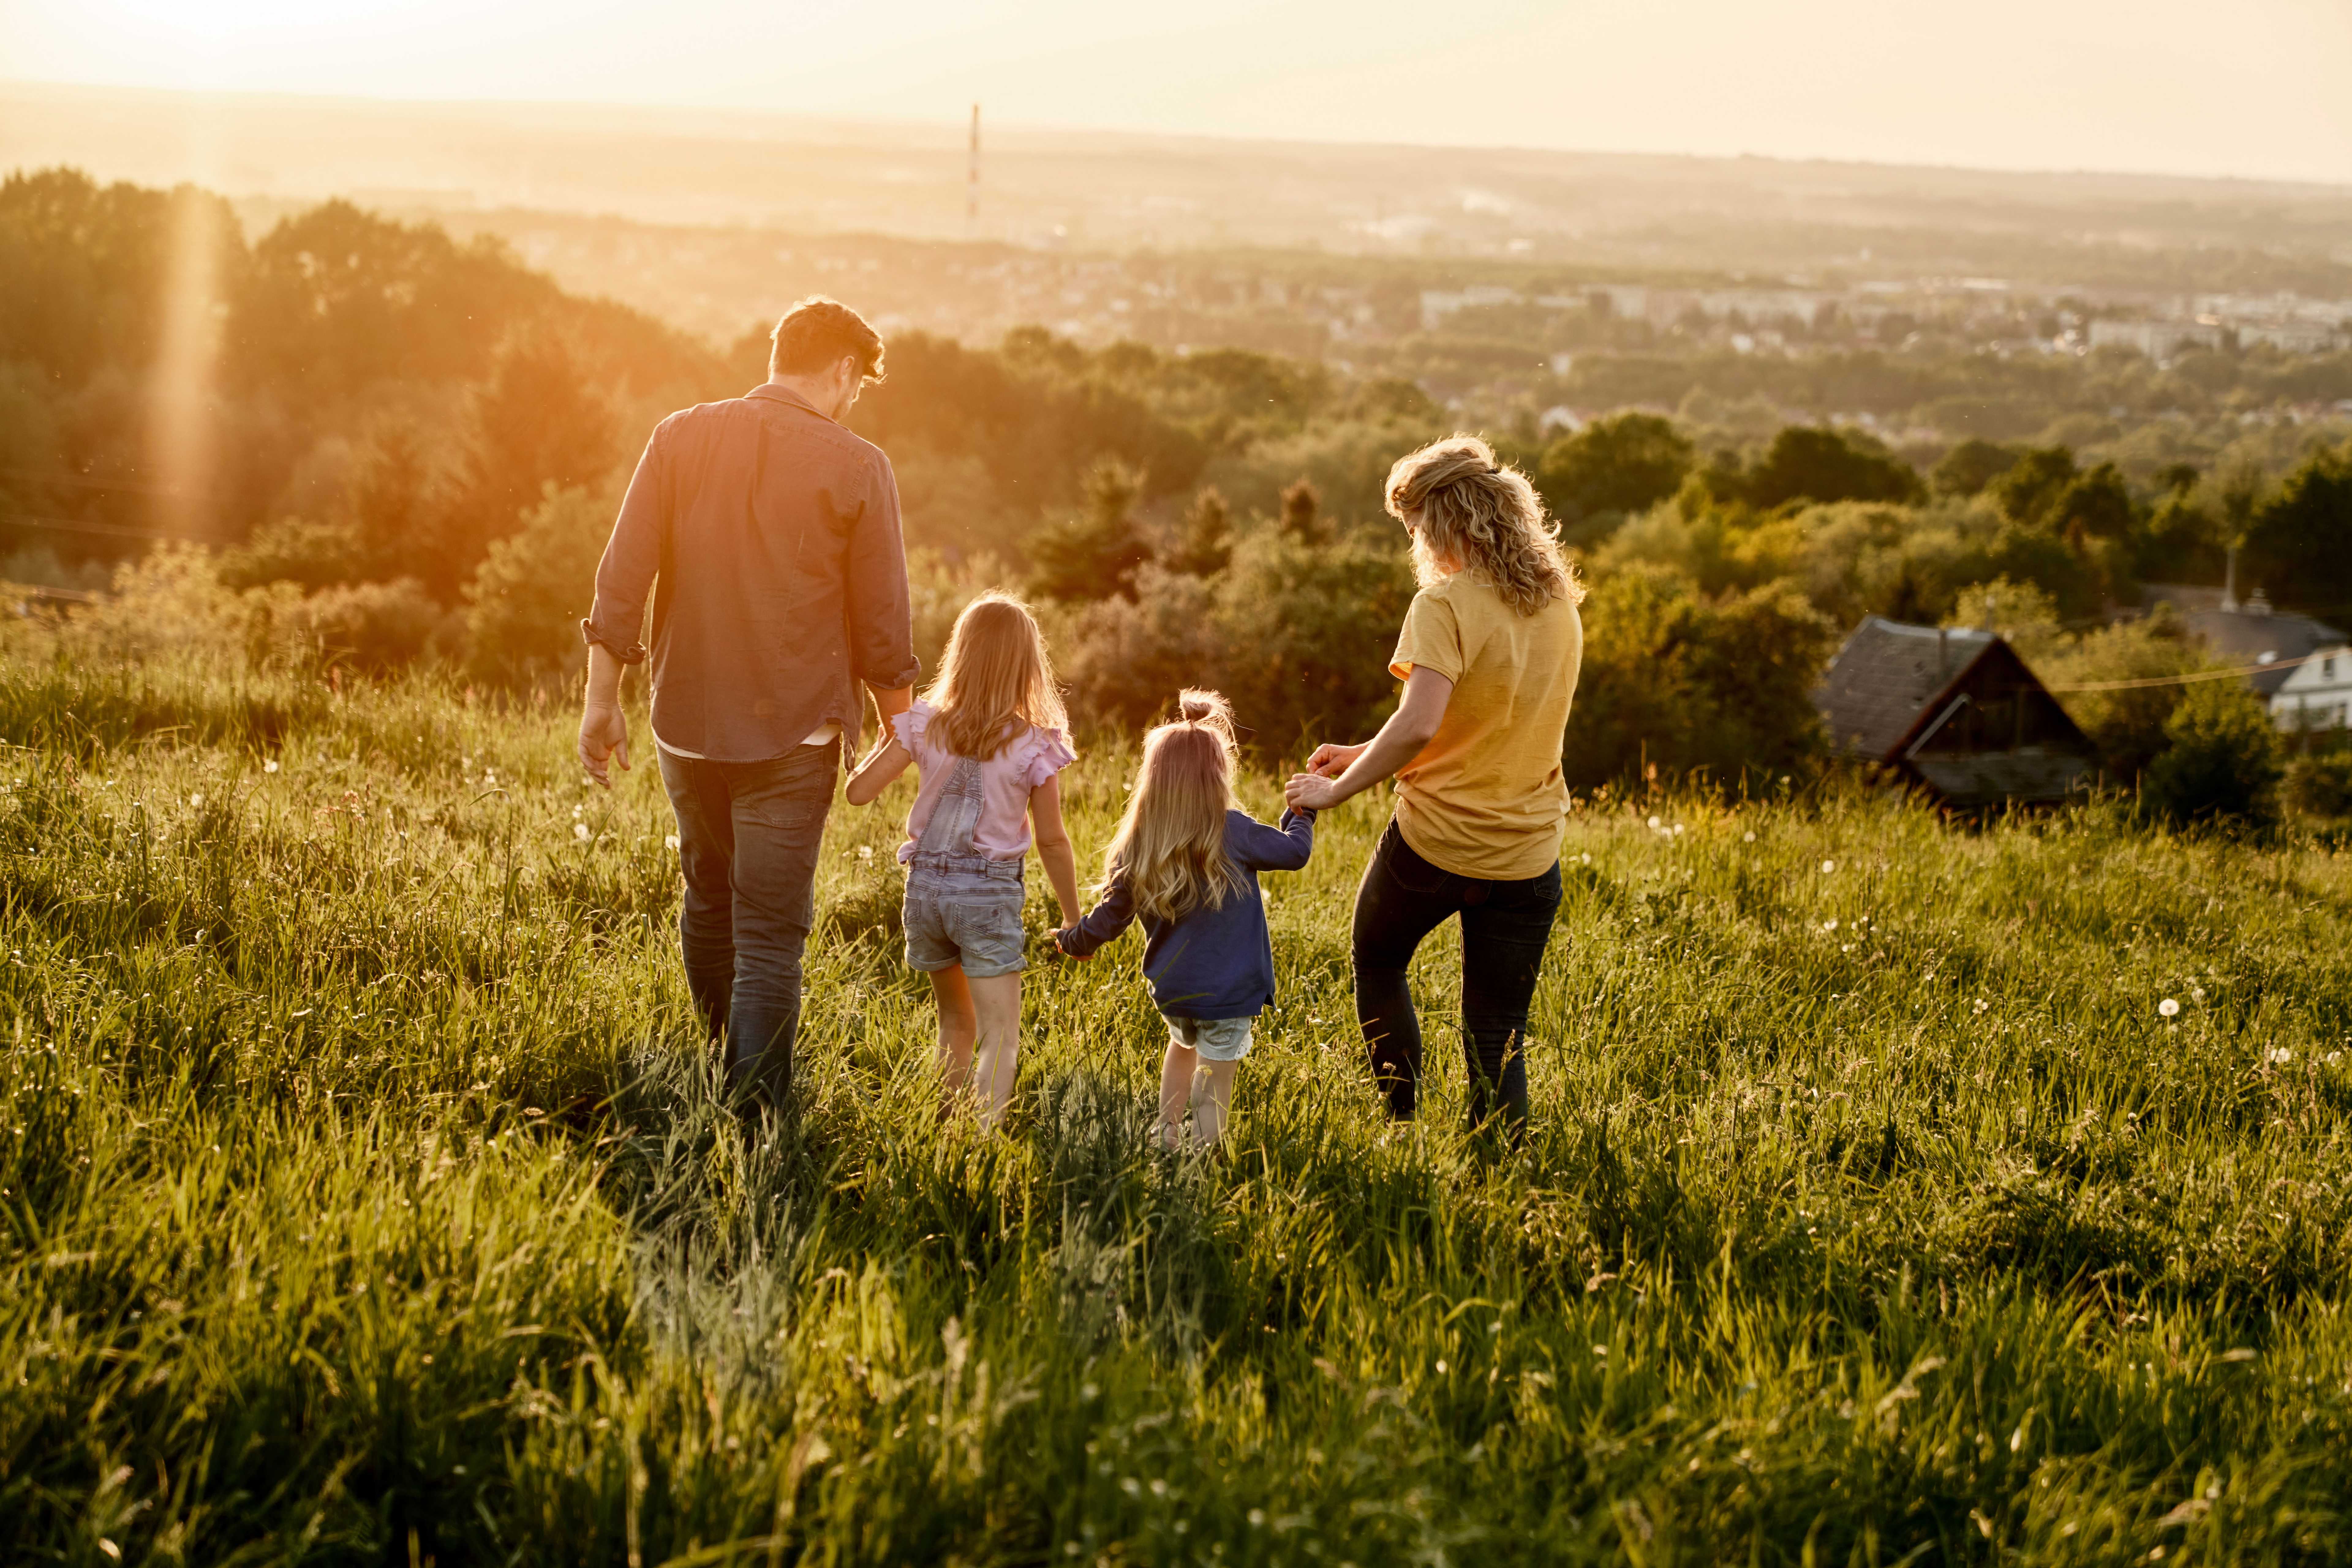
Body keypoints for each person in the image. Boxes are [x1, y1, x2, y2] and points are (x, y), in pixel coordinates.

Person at [577, 296, 918, 1111]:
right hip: (793, 734)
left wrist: (601, 703)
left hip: (684, 722)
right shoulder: (859, 464)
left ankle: (714, 1066)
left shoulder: (677, 435)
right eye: (854, 387)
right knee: (769, 932)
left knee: (709, 896)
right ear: (841, 371)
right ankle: (758, 1117)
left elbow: (622, 577)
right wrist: (905, 731)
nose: (850, 405)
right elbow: (882, 622)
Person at [1284, 435, 1583, 1142]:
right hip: (1527, 855)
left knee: (1378, 959)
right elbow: (1486, 718)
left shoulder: (1444, 604)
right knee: (1498, 1027)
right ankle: (1505, 1170)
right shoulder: (1558, 607)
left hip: (1434, 844)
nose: (1416, 546)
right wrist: (1363, 750)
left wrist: (1337, 791)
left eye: (1416, 531)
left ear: (1446, 522)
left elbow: (1420, 726)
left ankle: (1402, 1125)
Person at [845, 593, 1081, 1127]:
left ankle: (942, 1125)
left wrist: (886, 741)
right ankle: (981, 1146)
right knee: (1001, 1036)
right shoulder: (1034, 744)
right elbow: (1052, 841)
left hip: (926, 894)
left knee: (955, 1023)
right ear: (1027, 665)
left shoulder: (924, 724)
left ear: (961, 653)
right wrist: (1071, 918)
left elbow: (858, 794)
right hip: (988, 899)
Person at [1055, 691, 1317, 1150]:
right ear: (1219, 775)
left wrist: (1077, 940)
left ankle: (1167, 1133)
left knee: (1182, 1046)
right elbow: (1294, 852)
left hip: (1176, 989)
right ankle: (1203, 1156)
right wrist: (1305, 812)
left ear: (1153, 780)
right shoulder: (1234, 830)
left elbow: (1110, 918)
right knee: (1216, 1077)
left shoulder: (1141, 841)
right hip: (1230, 992)